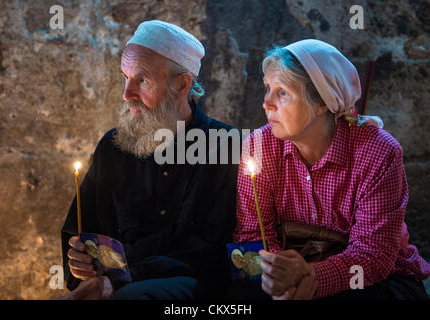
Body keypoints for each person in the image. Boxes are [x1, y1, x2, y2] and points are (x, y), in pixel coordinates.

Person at [233, 39, 430, 300]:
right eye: (268, 88)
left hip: (371, 279)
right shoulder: (258, 147)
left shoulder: (378, 152)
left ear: (322, 102)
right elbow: (251, 235)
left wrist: (314, 278)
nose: (266, 103)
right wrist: (276, 275)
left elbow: (374, 255)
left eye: (283, 93)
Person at [59, 20, 239, 300]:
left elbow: (206, 254)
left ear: (181, 85)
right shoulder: (112, 146)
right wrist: (79, 262)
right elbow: (80, 229)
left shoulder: (224, 146)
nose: (126, 94)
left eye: (142, 80)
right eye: (125, 77)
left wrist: (117, 280)